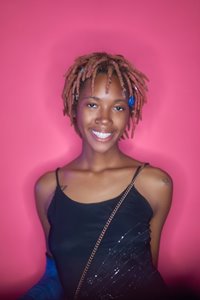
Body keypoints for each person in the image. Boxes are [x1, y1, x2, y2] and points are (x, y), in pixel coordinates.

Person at [21, 52, 173, 300]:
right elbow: (55, 274)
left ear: (129, 114)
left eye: (118, 107)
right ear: (75, 108)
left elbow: (149, 272)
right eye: (92, 104)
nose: (104, 119)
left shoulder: (154, 184)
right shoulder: (47, 188)